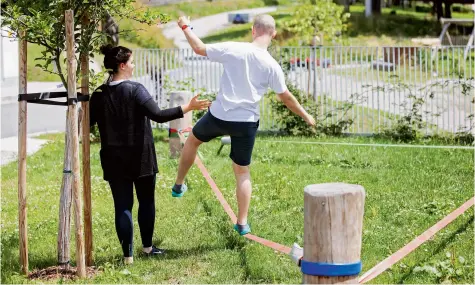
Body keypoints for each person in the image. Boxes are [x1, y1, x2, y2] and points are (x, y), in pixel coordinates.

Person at [171, 14, 316, 235]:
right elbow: (286, 97)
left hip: (219, 115)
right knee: (242, 172)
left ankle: (179, 185)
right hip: (246, 123)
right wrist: (307, 116)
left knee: (192, 141)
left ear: (253, 30)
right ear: (273, 34)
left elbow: (199, 48)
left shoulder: (234, 49)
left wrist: (185, 26)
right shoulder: (272, 65)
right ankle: (242, 223)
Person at [90, 44, 211, 265]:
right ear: (123, 65)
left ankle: (127, 257)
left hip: (113, 158)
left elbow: (86, 126)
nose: (134, 66)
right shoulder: (136, 90)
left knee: (122, 206)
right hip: (141, 157)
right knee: (146, 201)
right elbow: (159, 115)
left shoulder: (98, 94)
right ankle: (147, 248)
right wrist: (188, 107)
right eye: (132, 62)